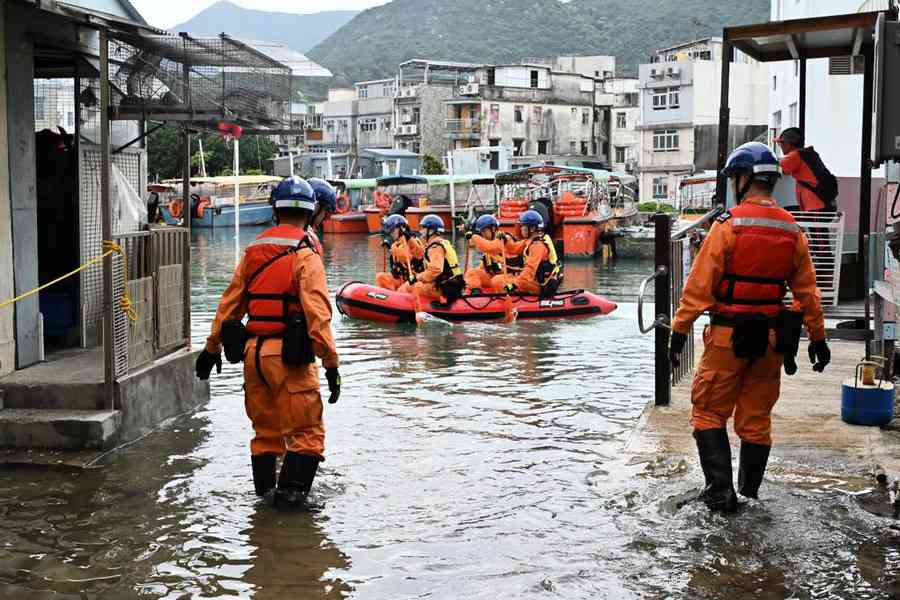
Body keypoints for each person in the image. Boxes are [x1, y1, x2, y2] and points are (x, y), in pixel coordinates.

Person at [668, 142, 831, 513]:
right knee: (756, 420)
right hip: (771, 342)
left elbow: (698, 287)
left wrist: (679, 333)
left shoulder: (728, 227)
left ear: (742, 179)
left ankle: (720, 495)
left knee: (708, 412)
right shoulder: (792, 230)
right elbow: (808, 290)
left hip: (727, 337)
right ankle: (749, 497)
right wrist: (818, 338)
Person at [195, 175, 341, 509]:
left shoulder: (253, 250)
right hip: (289, 359)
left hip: (253, 357)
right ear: (309, 213)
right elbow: (318, 317)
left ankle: (263, 508)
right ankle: (288, 519)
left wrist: (210, 349)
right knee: (306, 436)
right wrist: (331, 365)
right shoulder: (306, 255)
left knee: (267, 436)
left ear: (275, 210)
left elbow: (229, 305)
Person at [490, 210, 561, 297]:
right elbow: (514, 248)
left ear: (532, 228)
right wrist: (505, 239)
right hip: (531, 280)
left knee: (498, 282)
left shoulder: (538, 246)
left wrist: (515, 284)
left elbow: (530, 270)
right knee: (497, 279)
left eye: (523, 226)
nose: (521, 229)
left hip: (539, 285)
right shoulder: (530, 241)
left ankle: (505, 303)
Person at [400, 214, 464, 303]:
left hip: (443, 289)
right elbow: (420, 253)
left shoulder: (435, 248)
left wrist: (417, 278)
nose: (421, 231)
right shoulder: (438, 243)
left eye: (423, 228)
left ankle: (399, 305)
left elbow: (436, 270)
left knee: (408, 286)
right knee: (413, 284)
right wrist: (409, 238)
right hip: (449, 285)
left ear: (431, 230)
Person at [775, 127, 838, 213]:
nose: (780, 147)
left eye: (780, 144)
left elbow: (776, 168)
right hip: (824, 204)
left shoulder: (795, 156)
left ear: (787, 144)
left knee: (785, 215)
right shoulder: (808, 154)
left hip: (815, 207)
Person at [375, 214, 425, 291]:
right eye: (390, 231)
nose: (390, 233)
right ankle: (391, 297)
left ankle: (397, 296)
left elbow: (419, 253)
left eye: (392, 230)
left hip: (414, 281)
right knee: (380, 277)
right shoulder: (395, 245)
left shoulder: (414, 242)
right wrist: (390, 249)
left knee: (402, 289)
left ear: (402, 229)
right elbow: (395, 265)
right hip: (402, 278)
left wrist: (408, 240)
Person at [463, 214, 507, 293]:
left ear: (493, 229)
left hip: (507, 278)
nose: (482, 235)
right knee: (471, 272)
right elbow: (483, 268)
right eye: (481, 232)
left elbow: (489, 247)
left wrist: (474, 237)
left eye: (484, 231)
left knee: (497, 281)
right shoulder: (487, 246)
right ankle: (475, 292)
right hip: (492, 277)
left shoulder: (502, 239)